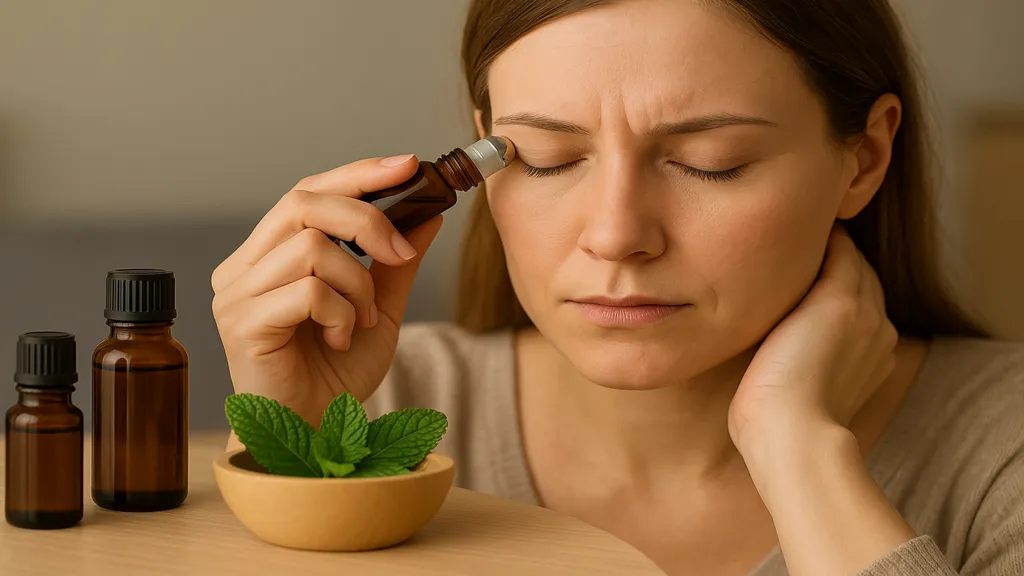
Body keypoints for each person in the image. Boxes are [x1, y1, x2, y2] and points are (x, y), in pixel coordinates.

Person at [211, 0, 1024, 574]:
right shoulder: (389, 409)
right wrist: (294, 454)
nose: (615, 233)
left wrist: (801, 452)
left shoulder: (1002, 452)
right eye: (547, 159)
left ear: (865, 158)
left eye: (712, 163)